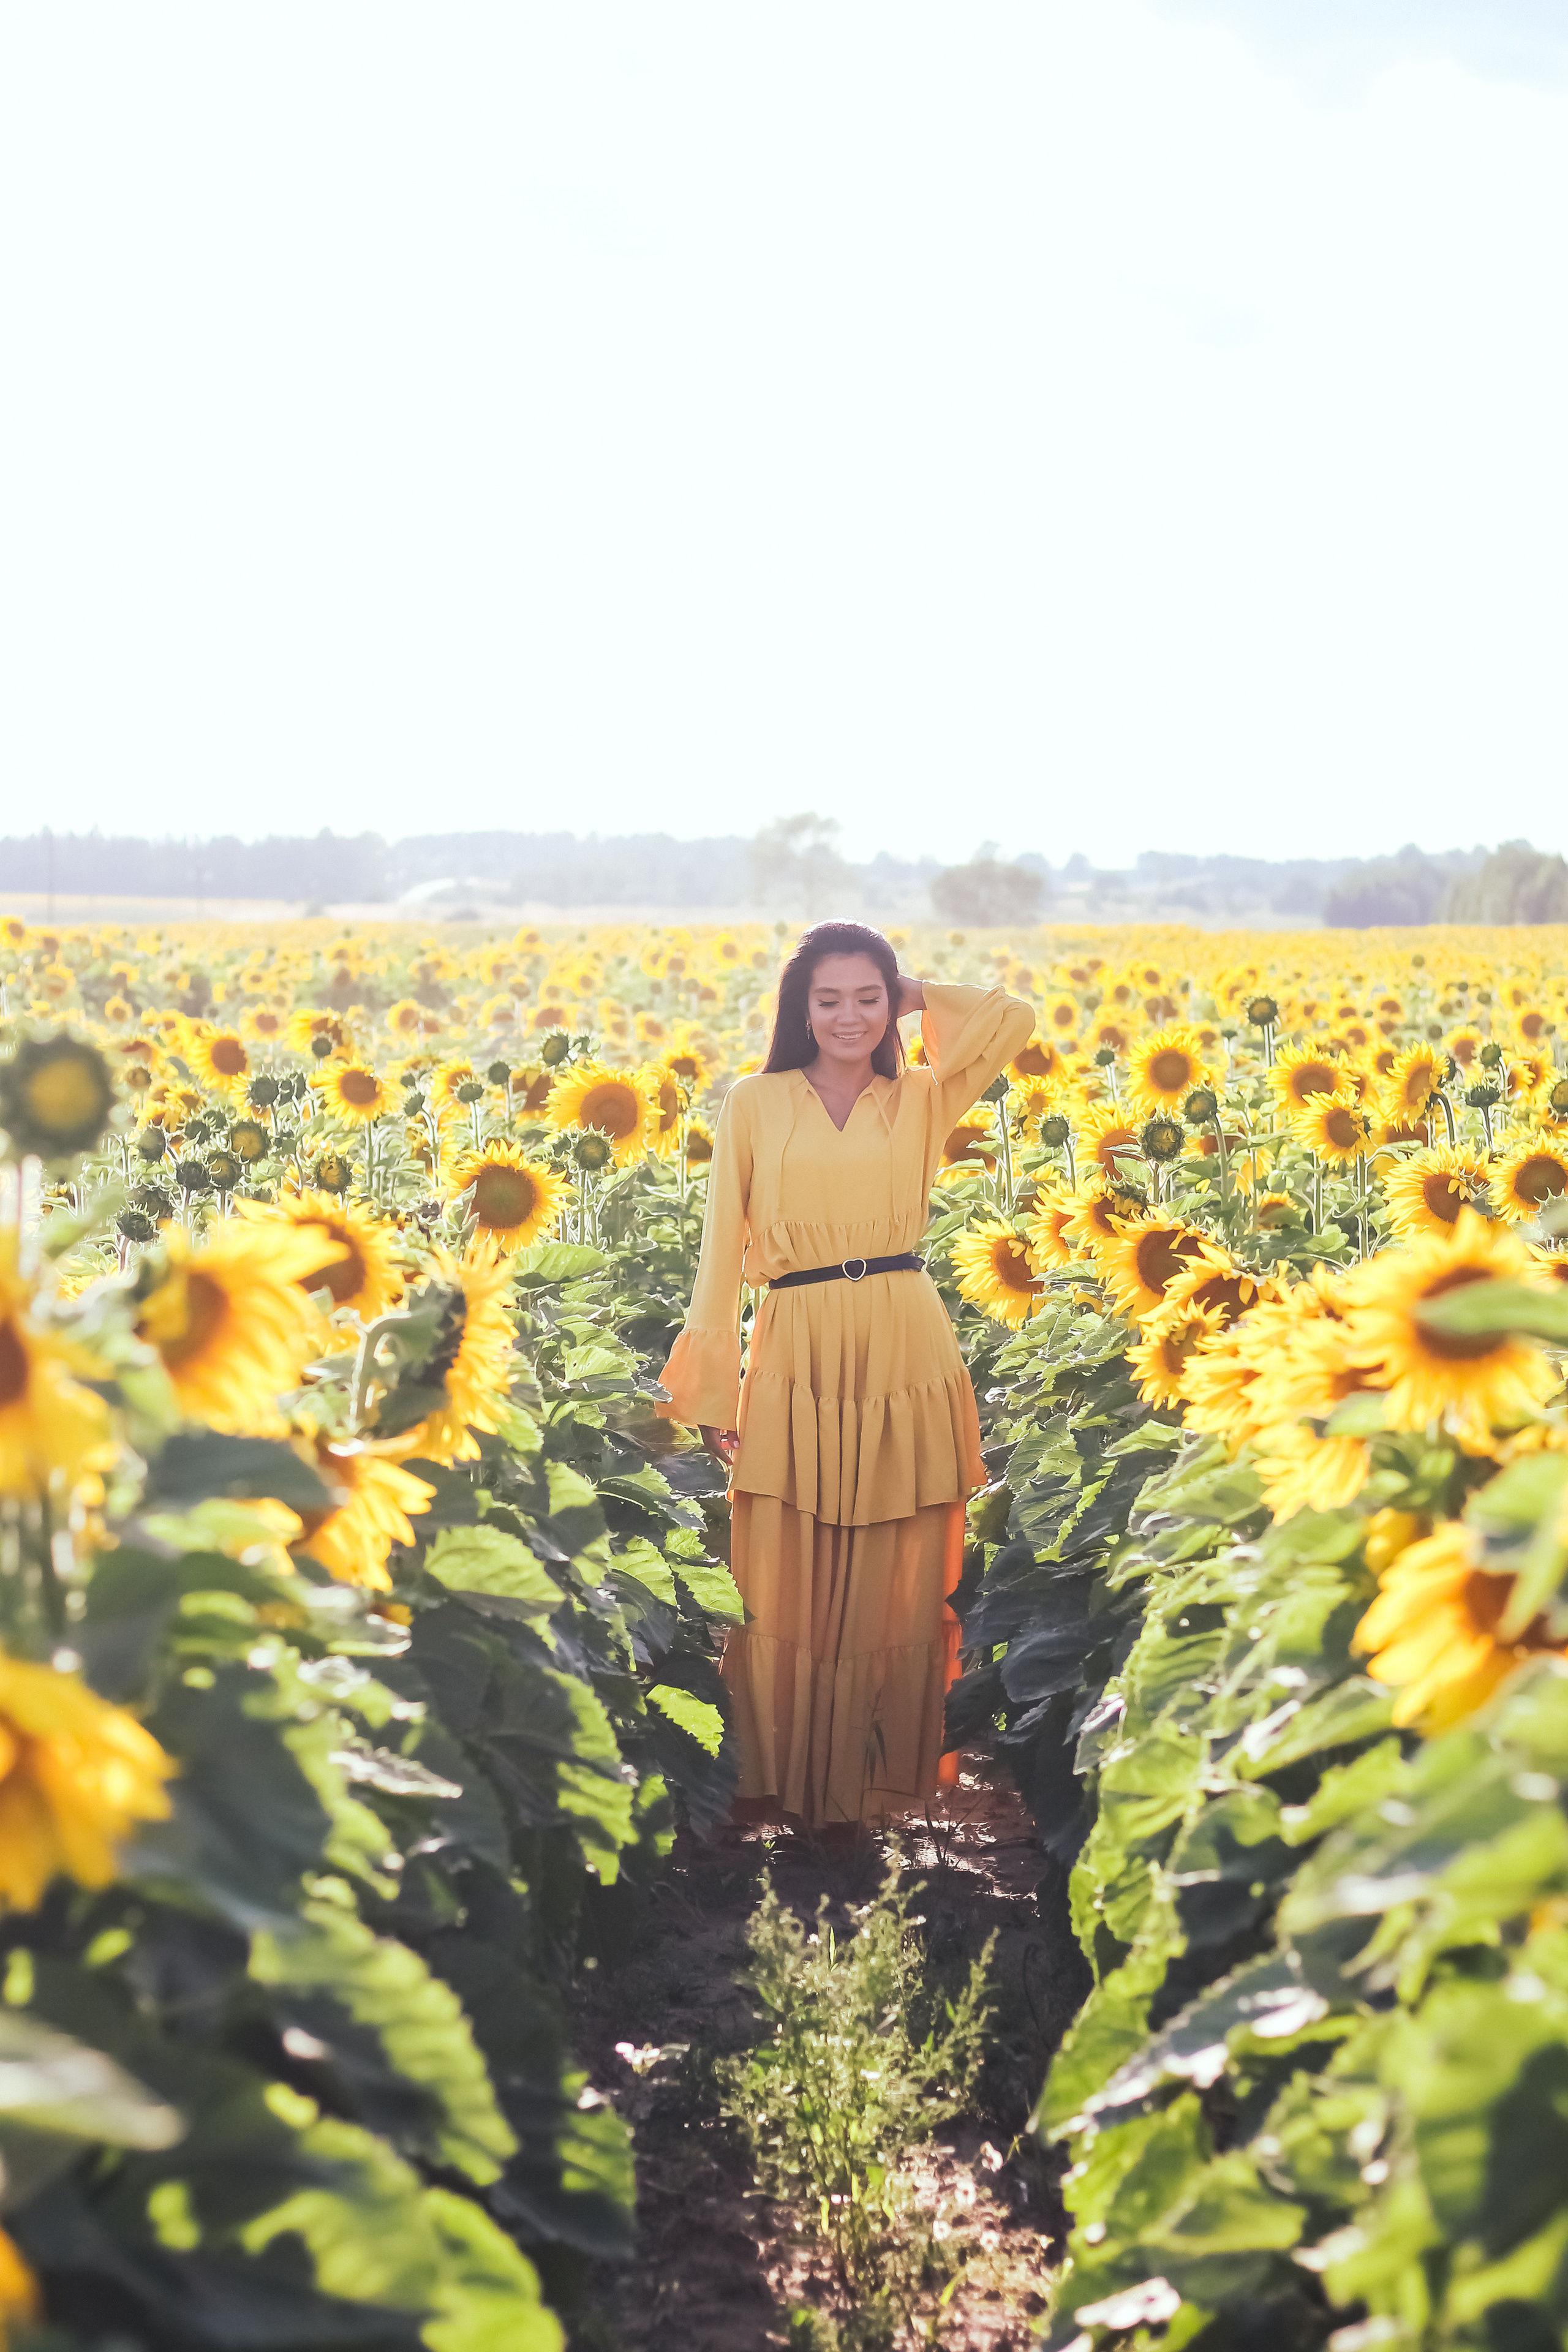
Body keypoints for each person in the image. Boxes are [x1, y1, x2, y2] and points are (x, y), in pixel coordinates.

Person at [655, 920, 1035, 1829]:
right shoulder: (755, 1101)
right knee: (781, 1566)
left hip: (903, 1338)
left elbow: (1012, 1019)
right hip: (795, 1337)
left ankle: (866, 1800)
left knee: (893, 1561)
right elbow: (720, 1247)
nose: (849, 1016)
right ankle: (787, 1790)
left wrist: (913, 992)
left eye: (869, 998)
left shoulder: (921, 1097)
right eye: (828, 999)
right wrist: (713, 1383)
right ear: (800, 1007)